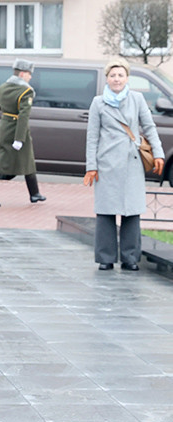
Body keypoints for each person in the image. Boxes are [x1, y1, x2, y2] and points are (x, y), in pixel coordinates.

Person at [84, 58, 164, 271]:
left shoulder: (137, 99)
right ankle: (105, 258)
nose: (116, 79)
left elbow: (150, 127)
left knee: (131, 212)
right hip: (106, 164)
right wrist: (91, 166)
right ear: (107, 78)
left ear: (127, 78)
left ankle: (130, 258)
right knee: (105, 212)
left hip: (132, 163)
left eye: (120, 75)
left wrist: (159, 154)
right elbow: (92, 137)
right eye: (113, 75)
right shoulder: (98, 103)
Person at [0, 59, 46, 207]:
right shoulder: (27, 91)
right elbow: (24, 116)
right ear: (23, 74)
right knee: (28, 161)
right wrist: (19, 138)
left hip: (4, 126)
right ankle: (34, 194)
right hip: (18, 129)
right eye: (29, 74)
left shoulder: (3, 87)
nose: (30, 77)